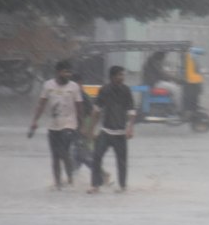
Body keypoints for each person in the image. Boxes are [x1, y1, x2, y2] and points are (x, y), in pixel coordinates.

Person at [29, 60, 83, 190]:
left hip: (69, 125)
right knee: (55, 157)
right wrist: (35, 121)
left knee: (64, 153)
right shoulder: (48, 85)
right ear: (58, 72)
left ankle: (70, 181)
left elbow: (79, 107)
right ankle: (58, 184)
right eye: (66, 72)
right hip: (53, 126)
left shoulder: (74, 87)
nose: (68, 74)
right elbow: (41, 104)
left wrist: (81, 126)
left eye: (70, 72)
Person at [87, 66, 136, 194]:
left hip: (120, 132)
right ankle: (95, 185)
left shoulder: (126, 90)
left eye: (123, 75)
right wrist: (91, 130)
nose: (122, 77)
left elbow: (131, 111)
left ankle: (122, 186)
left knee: (122, 161)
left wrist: (130, 128)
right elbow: (96, 110)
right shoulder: (104, 90)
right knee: (96, 156)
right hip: (106, 131)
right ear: (112, 77)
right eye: (120, 75)